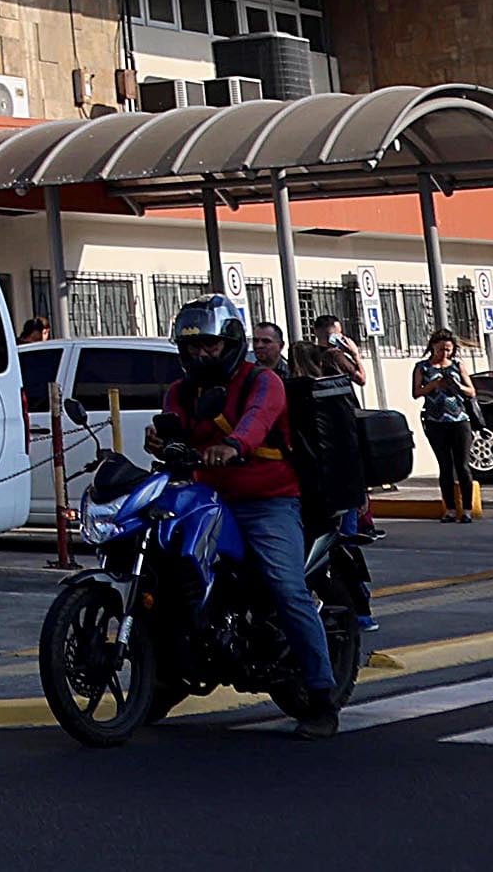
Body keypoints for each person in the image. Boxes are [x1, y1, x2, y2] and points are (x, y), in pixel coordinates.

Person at [156, 293, 338, 733]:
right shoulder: (180, 391)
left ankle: (321, 697)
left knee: (284, 585)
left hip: (266, 500)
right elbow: (172, 425)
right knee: (164, 573)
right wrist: (163, 443)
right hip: (206, 499)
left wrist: (234, 445)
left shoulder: (263, 382)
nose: (201, 353)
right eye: (193, 346)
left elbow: (256, 422)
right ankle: (166, 677)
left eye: (210, 345)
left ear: (231, 342)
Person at [412, 329, 480, 519]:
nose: (445, 354)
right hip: (436, 421)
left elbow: (472, 391)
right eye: (441, 349)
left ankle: (466, 509)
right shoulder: (423, 367)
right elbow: (416, 392)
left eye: (448, 350)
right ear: (433, 347)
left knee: (463, 465)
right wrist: (433, 386)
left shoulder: (457, 365)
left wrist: (457, 386)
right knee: (445, 465)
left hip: (459, 420)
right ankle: (449, 508)